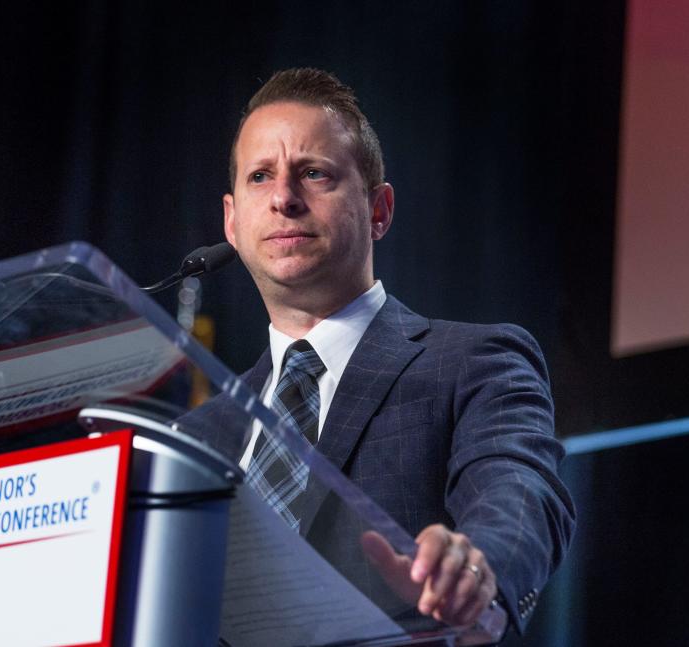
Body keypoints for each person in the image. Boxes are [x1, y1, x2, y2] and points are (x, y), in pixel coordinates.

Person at [187, 68, 574, 636]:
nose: (284, 199)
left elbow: (518, 488)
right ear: (232, 222)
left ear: (379, 210)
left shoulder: (474, 364)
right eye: (260, 176)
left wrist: (476, 564)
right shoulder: (197, 437)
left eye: (314, 173)